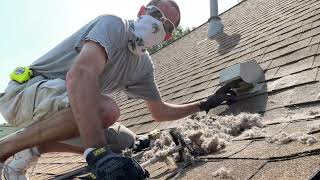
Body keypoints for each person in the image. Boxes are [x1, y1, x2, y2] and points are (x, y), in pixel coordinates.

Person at [0, 0, 235, 179]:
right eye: (155, 14)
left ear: (168, 35)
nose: (157, 24)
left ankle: (26, 152)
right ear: (142, 11)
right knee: (104, 111)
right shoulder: (114, 25)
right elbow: (79, 76)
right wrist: (97, 153)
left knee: (124, 141)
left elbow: (159, 112)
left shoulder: (143, 66)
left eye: (165, 24)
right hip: (23, 95)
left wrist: (204, 103)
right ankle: (5, 148)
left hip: (56, 108)